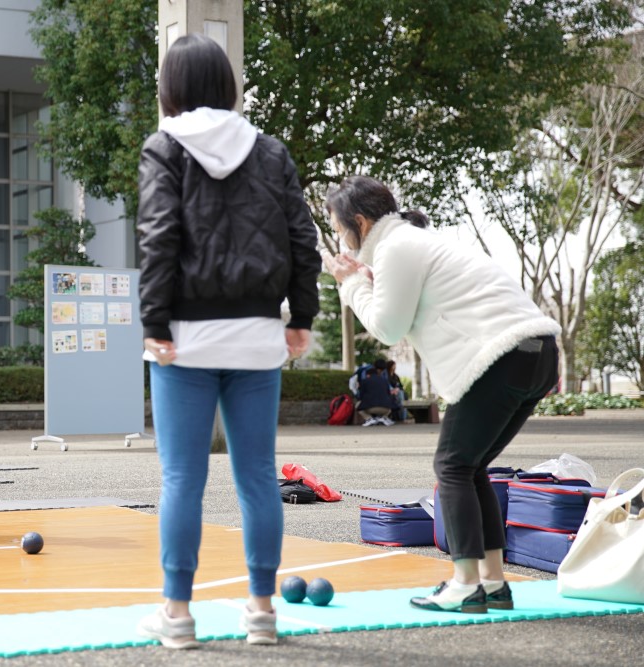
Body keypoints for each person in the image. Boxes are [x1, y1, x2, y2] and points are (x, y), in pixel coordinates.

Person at [135, 34, 321, 649]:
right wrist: (303, 316)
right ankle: (262, 613)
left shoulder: (163, 148)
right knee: (258, 478)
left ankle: (178, 617)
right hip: (257, 335)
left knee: (182, 479)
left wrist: (155, 322)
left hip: (184, 338)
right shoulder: (269, 152)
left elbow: (159, 237)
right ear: (227, 85)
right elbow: (301, 238)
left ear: (172, 89)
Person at [323, 175, 560, 614]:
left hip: (504, 354)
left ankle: (465, 583)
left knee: (451, 466)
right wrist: (366, 279)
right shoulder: (411, 242)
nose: (341, 238)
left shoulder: (396, 247)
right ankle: (492, 583)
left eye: (339, 229)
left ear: (359, 221)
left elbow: (387, 327)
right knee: (470, 467)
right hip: (538, 352)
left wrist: (349, 283)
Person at [357, 358, 395, 426]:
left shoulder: (365, 380)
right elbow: (389, 394)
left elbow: (360, 396)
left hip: (370, 408)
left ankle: (369, 419)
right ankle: (383, 418)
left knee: (358, 404)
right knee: (390, 401)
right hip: (386, 408)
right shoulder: (385, 380)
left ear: (367, 375)